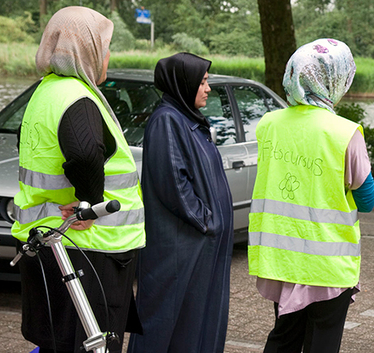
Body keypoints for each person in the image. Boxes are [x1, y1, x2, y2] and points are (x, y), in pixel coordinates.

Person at [12, 6, 145, 353]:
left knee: (55, 341)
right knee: (91, 344)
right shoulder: (77, 97)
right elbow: (86, 153)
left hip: (48, 242)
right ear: (87, 48)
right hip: (90, 248)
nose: (108, 55)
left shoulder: (44, 93)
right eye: (104, 45)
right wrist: (89, 203)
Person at [248, 38, 374, 353]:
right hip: (326, 264)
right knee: (323, 341)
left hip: (280, 259)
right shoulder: (344, 132)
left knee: (284, 337)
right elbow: (367, 200)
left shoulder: (268, 124)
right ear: (335, 79)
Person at [127, 53, 234, 353]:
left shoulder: (188, 118)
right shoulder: (167, 121)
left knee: (195, 323)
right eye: (202, 82)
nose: (208, 89)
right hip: (179, 249)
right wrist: (208, 221)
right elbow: (173, 183)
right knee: (167, 324)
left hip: (196, 247)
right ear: (183, 84)